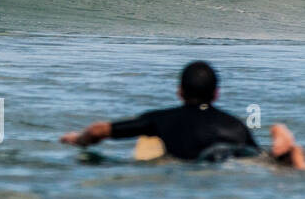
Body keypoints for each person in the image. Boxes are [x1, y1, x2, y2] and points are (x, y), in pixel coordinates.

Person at [59, 61, 305, 167]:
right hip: (234, 156)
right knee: (269, 161)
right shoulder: (235, 125)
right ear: (216, 94)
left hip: (199, 161)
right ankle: (283, 139)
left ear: (179, 92)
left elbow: (100, 130)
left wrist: (78, 140)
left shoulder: (160, 120)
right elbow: (257, 156)